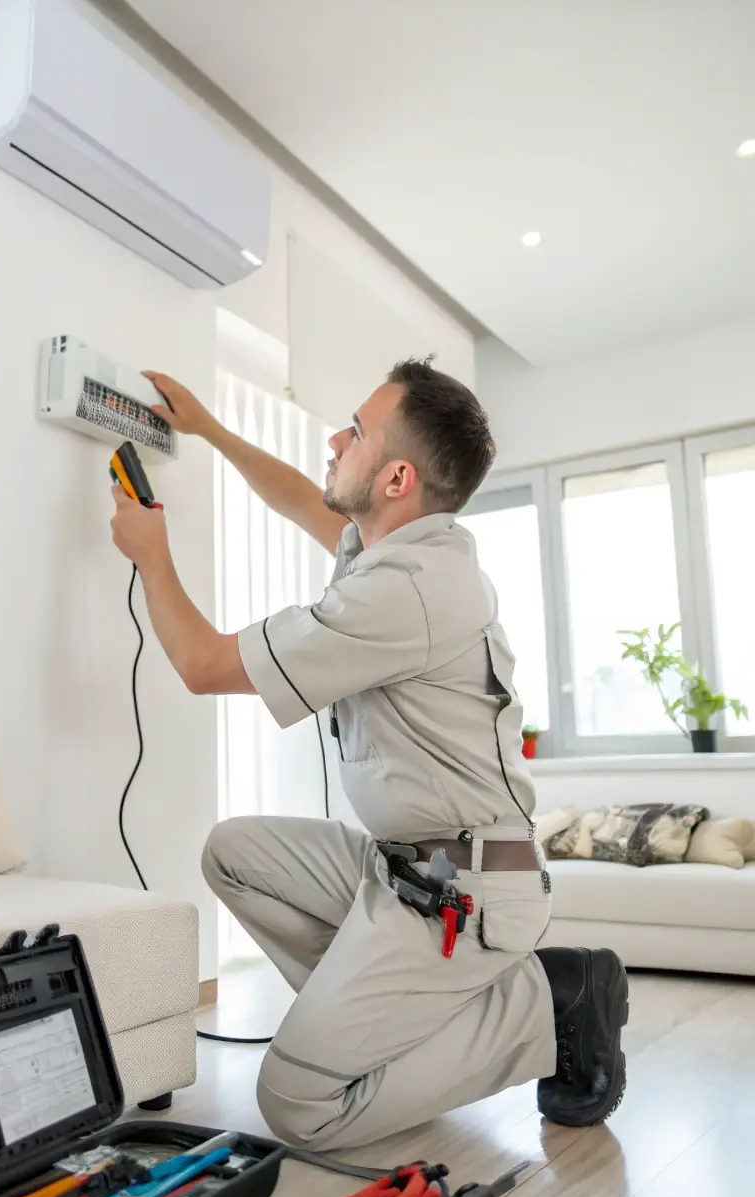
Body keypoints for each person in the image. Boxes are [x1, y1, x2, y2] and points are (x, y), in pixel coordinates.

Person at [108, 357, 628, 1152]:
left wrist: (151, 555)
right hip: (408, 869)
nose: (334, 436)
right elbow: (295, 495)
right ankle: (383, 1037)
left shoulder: (403, 590)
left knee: (298, 1107)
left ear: (394, 477)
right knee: (235, 852)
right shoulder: (398, 550)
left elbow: (201, 665)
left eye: (354, 429)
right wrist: (209, 429)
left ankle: (549, 1004)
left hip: (471, 890)